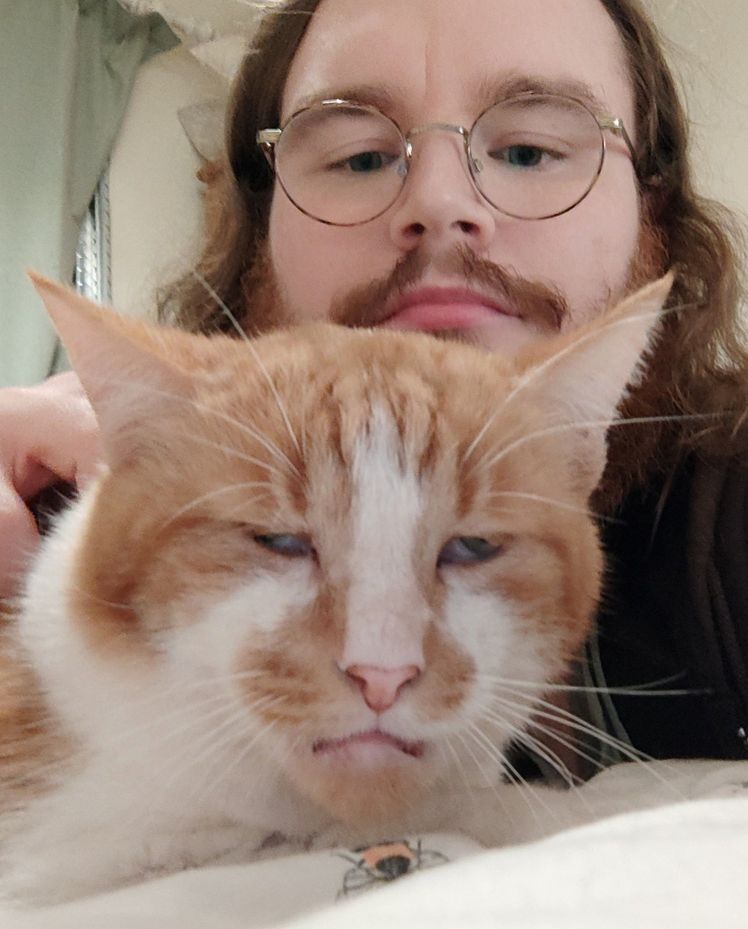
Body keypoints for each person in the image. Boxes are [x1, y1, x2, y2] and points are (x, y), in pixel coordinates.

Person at [2, 0, 747, 767]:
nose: (438, 203)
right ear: (261, 231)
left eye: (527, 151)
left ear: (652, 207)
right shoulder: (91, 504)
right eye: (360, 158)